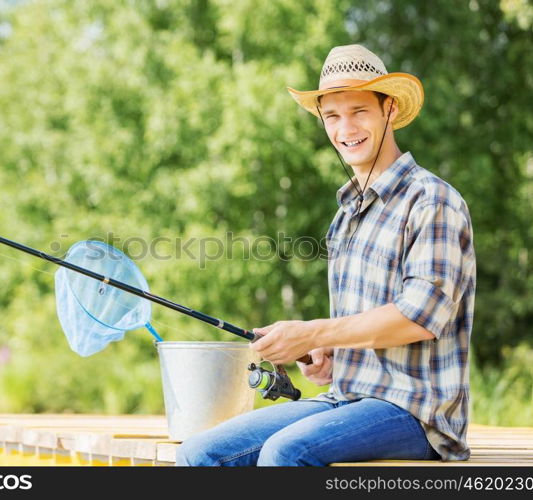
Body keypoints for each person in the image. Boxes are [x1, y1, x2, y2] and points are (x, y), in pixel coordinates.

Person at [175, 44, 476, 466]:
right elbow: (358, 328)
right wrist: (325, 356)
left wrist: (315, 333)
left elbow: (418, 318)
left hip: (416, 414)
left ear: (389, 109)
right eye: (332, 116)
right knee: (199, 454)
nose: (345, 128)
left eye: (358, 111)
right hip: (345, 398)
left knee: (286, 453)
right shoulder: (347, 214)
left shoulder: (432, 201)